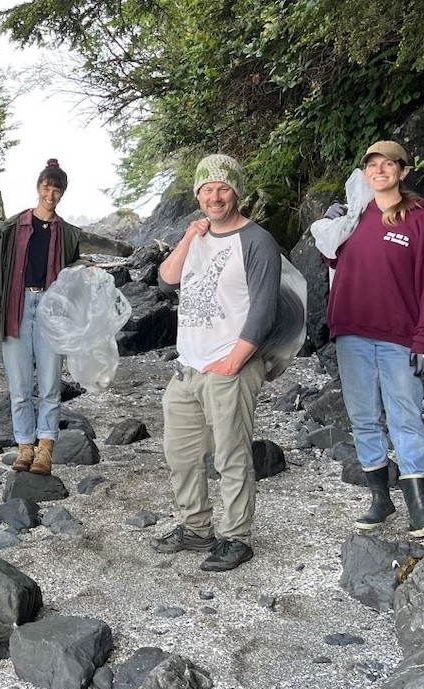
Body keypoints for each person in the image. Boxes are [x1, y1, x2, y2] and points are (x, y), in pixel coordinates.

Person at [151, 153, 282, 572]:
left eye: (223, 188)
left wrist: (233, 362)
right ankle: (196, 527)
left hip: (230, 367)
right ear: (198, 195)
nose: (215, 196)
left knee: (231, 456)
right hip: (187, 367)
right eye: (206, 189)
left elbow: (264, 310)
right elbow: (166, 279)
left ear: (236, 192)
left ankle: (236, 536)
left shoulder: (257, 241)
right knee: (181, 455)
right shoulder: (197, 236)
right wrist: (190, 237)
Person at [322, 140, 424, 539]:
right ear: (364, 173)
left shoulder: (421, 220)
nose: (380, 170)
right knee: (363, 419)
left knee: (406, 418)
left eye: (388, 164)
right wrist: (331, 230)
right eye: (372, 165)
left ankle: (420, 510)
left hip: (400, 337)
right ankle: (381, 498)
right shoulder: (354, 217)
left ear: (403, 171)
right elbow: (337, 264)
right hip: (351, 334)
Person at [0, 158, 82, 476]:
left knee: (50, 385)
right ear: (39, 188)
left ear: (62, 194)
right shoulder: (12, 228)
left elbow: (73, 281)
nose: (51, 194)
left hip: (52, 309)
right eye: (47, 187)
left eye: (57, 189)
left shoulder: (69, 234)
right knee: (21, 387)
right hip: (17, 306)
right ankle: (25, 447)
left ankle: (45, 451)